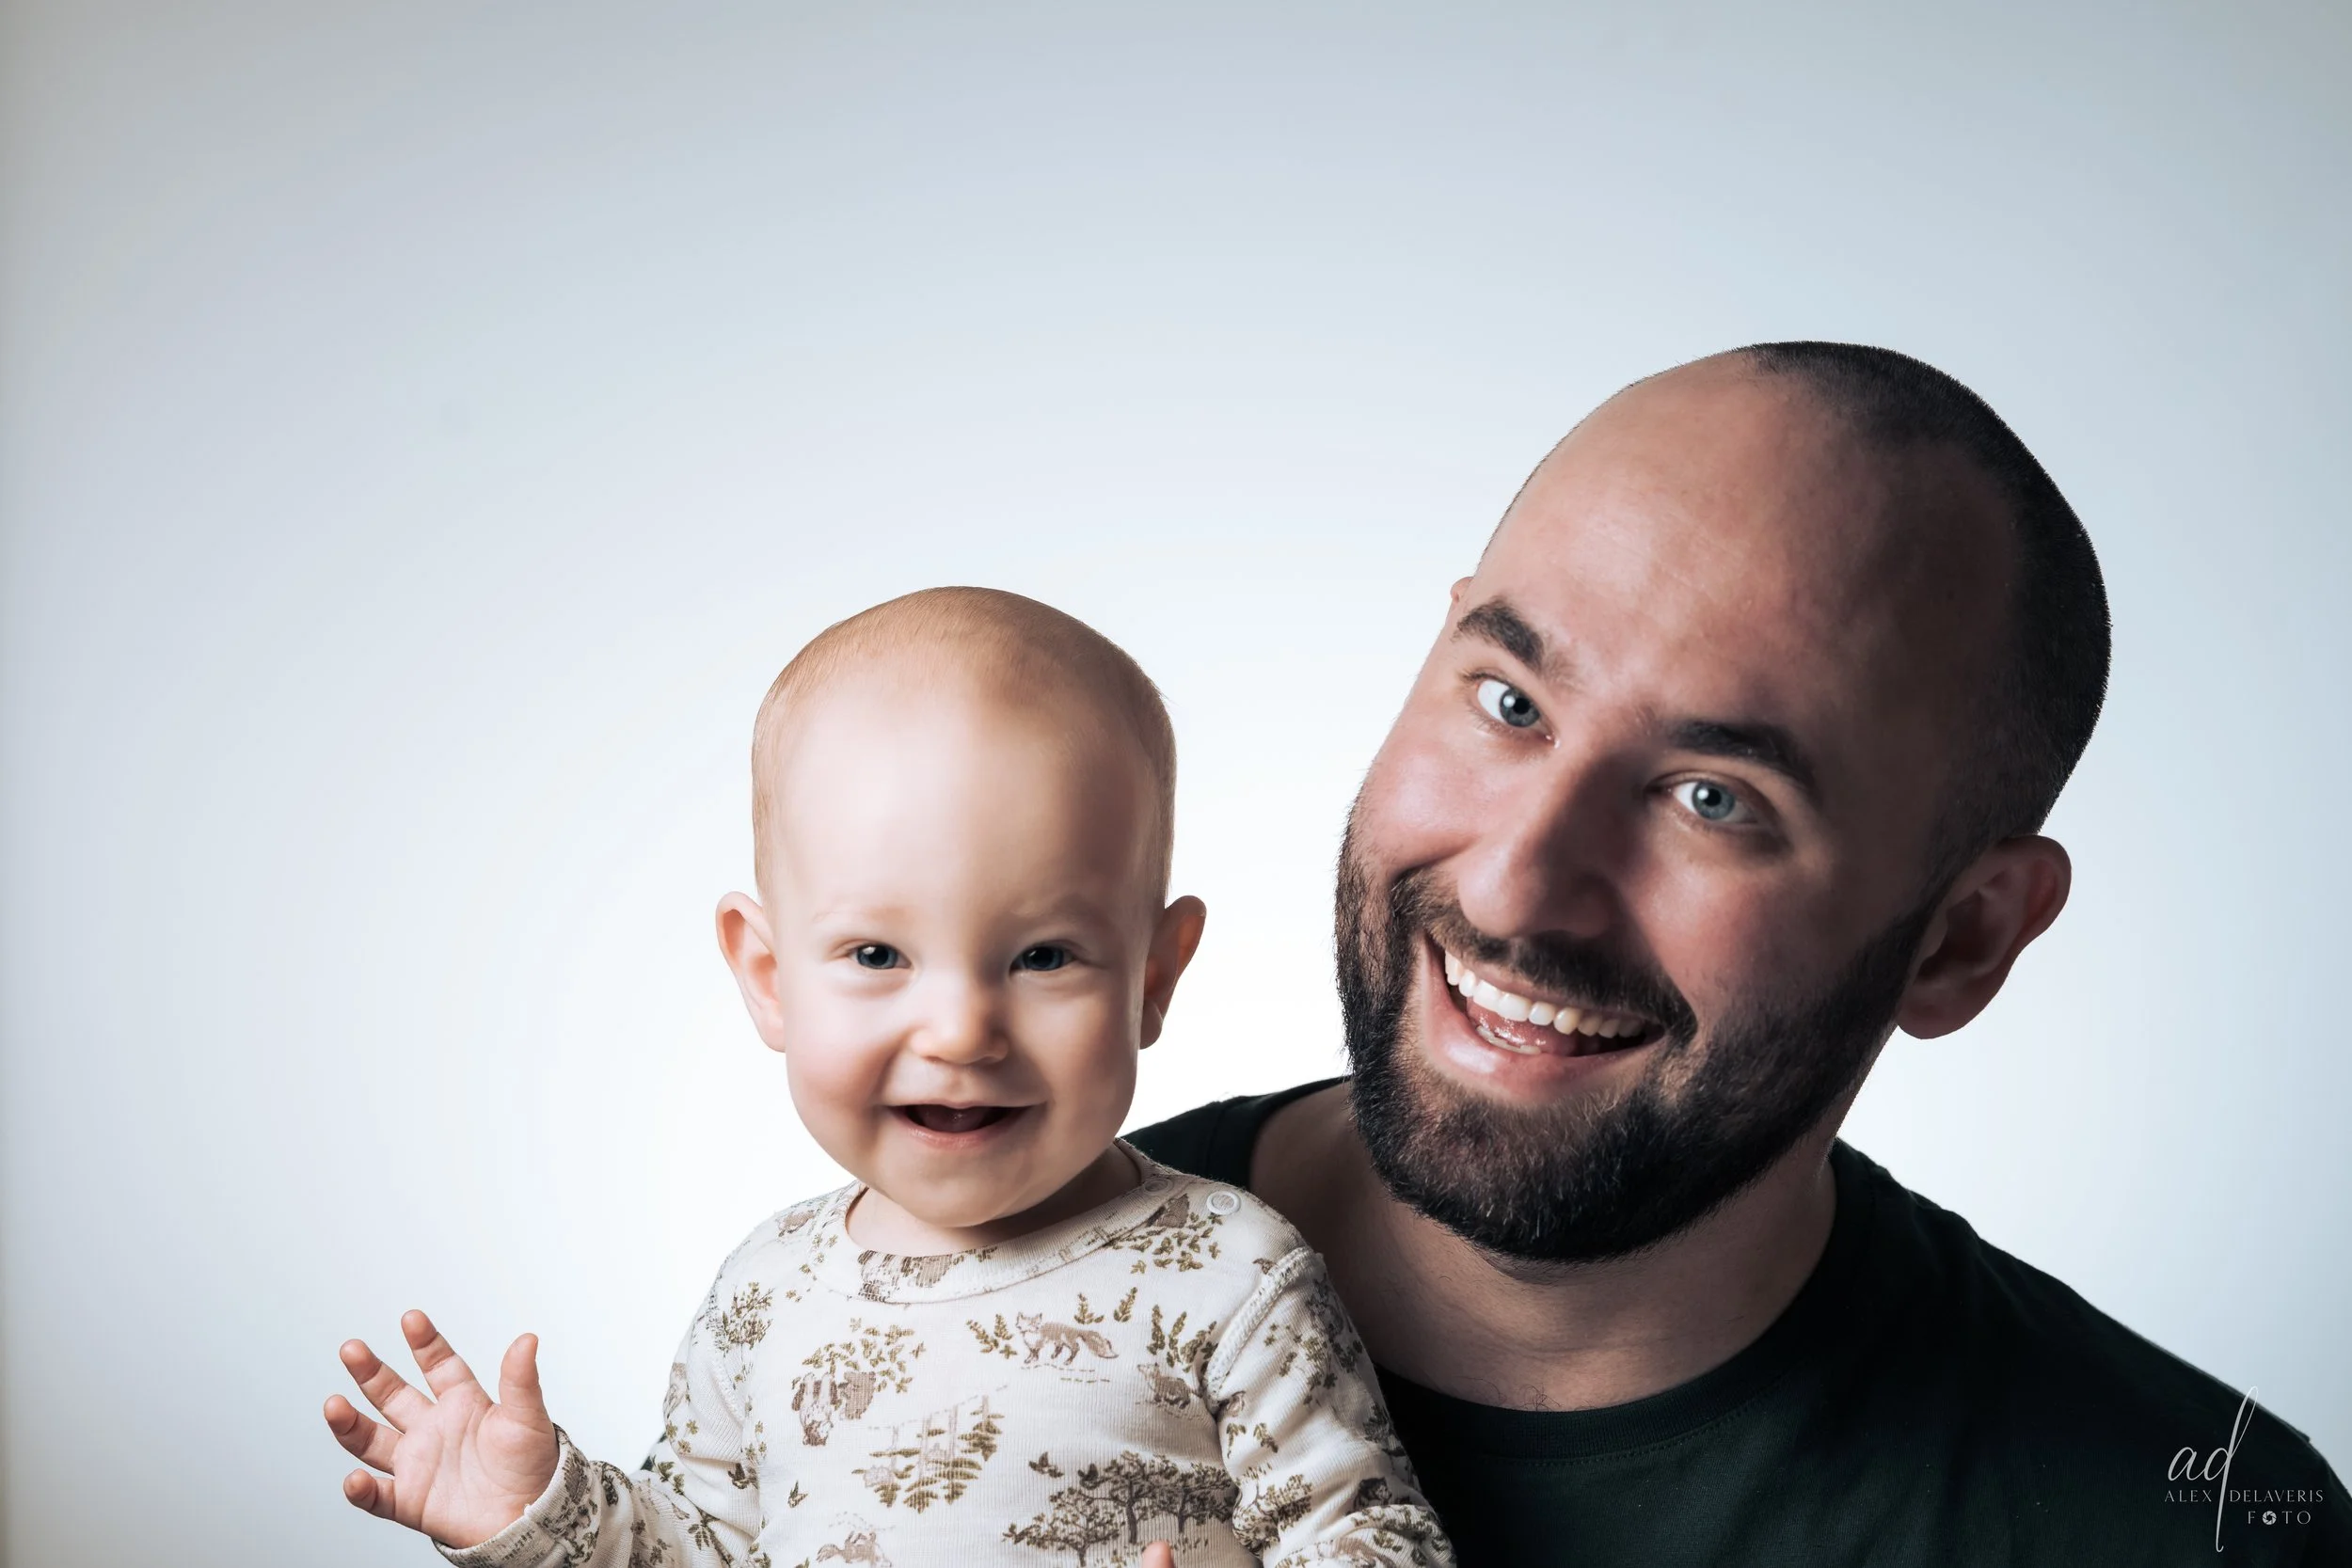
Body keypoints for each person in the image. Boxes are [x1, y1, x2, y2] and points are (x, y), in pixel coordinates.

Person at [1133, 343, 2350, 1565]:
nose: (1516, 884)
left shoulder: (2199, 1534)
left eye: (1713, 796)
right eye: (1509, 702)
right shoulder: (949, 1299)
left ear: (1963, 937)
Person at [322, 589, 1454, 1568]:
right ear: (768, 975)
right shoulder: (763, 1295)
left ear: (1153, 975)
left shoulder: (1228, 1271)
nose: (960, 1027)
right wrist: (534, 1509)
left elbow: (1372, 1533)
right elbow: (701, 1544)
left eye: (1043, 955)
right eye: (877, 955)